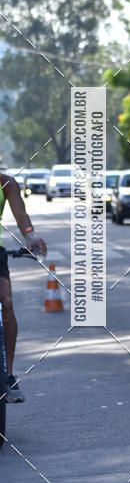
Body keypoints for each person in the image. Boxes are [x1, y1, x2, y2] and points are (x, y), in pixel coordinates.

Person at [0, 172, 47, 402]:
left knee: (6, 302)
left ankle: (7, 375)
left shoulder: (6, 183)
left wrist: (31, 237)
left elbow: (21, 215)